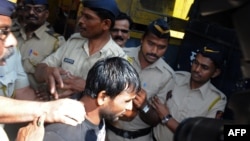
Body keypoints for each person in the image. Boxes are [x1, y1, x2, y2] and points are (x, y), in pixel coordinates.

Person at [0, 0, 85, 140]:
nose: (12, 42)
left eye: (7, 31)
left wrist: (56, 106)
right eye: (2, 31)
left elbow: (23, 92)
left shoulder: (12, 52)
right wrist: (46, 109)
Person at [34, 0, 127, 99]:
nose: (80, 21)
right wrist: (46, 72)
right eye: (82, 15)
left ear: (106, 24)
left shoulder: (118, 57)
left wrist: (87, 88)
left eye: (88, 17)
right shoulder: (73, 42)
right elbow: (39, 70)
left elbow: (115, 100)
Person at [106, 18, 175, 141]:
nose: (154, 51)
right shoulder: (121, 56)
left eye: (161, 47)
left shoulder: (167, 75)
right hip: (108, 134)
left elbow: (156, 119)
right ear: (142, 39)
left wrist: (144, 106)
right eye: (151, 44)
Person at [41, 57, 141, 141]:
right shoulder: (61, 135)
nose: (130, 107)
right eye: (127, 101)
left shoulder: (98, 116)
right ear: (103, 97)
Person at [151, 45, 227, 141]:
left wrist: (167, 118)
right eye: (196, 63)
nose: (197, 69)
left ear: (215, 73)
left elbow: (201, 136)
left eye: (204, 67)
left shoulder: (217, 100)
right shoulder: (175, 78)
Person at [15, 0, 66, 90]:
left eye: (38, 10)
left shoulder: (56, 42)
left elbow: (60, 77)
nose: (31, 12)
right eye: (27, 8)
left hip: (32, 100)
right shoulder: (12, 35)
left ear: (46, 14)